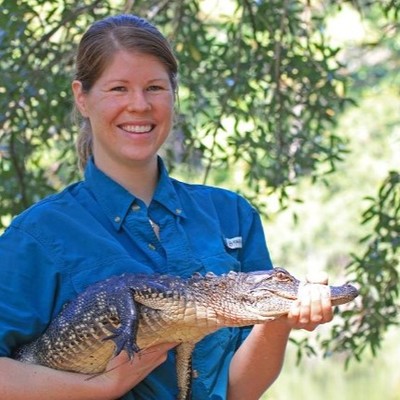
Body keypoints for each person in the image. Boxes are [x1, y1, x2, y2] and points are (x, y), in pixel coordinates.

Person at [0, 14, 334, 400]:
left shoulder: (232, 214)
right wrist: (101, 388)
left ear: (173, 95)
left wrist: (280, 320)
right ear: (82, 97)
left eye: (155, 87)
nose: (139, 105)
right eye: (118, 88)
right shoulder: (39, 233)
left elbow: (238, 391)